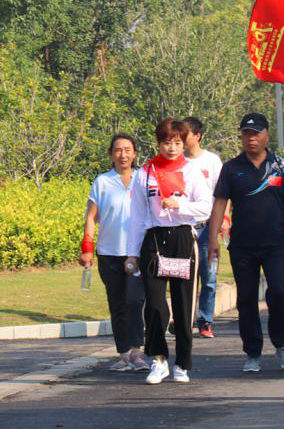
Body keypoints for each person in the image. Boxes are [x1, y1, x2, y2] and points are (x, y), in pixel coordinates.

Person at [208, 113, 284, 373]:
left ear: (266, 135)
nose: (251, 138)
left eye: (256, 133)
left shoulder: (281, 166)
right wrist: (213, 239)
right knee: (247, 299)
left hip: (276, 244)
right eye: (246, 133)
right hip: (242, 245)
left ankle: (283, 345)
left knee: (278, 292)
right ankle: (252, 352)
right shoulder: (232, 168)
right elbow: (220, 204)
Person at [126, 118, 213, 384]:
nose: (172, 148)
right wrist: (132, 253)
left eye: (177, 142)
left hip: (183, 238)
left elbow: (205, 207)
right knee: (154, 304)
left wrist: (180, 206)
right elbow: (136, 216)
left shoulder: (192, 171)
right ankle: (159, 359)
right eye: (166, 142)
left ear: (184, 142)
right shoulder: (145, 173)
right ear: (158, 143)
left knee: (183, 305)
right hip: (154, 240)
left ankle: (182, 364)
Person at [81, 134, 148, 373]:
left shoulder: (143, 179)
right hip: (109, 252)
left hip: (137, 252)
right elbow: (91, 217)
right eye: (118, 150)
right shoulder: (102, 182)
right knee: (117, 303)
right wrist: (87, 247)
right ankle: (123, 354)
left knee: (135, 301)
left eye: (128, 150)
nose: (123, 155)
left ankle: (137, 352)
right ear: (111, 154)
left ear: (135, 153)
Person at [183, 117, 224, 339]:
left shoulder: (212, 161)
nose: (180, 138)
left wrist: (224, 219)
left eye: (185, 133)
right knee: (185, 277)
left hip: (208, 226)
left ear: (197, 136)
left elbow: (223, 194)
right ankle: (184, 319)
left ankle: (205, 320)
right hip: (184, 227)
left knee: (209, 277)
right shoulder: (177, 161)